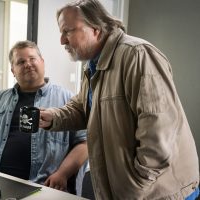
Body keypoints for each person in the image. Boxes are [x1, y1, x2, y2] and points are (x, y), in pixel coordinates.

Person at [39, 0, 199, 199]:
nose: (62, 40)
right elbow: (83, 107)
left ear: (95, 29)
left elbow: (159, 135)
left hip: (157, 193)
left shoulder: (137, 55)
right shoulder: (93, 65)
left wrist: (134, 186)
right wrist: (52, 117)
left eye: (68, 31)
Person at [0, 40, 88, 195]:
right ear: (13, 70)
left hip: (44, 189)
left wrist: (62, 173)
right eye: (21, 62)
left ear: (42, 62)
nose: (27, 64)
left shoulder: (68, 100)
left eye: (32, 59)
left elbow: (84, 143)